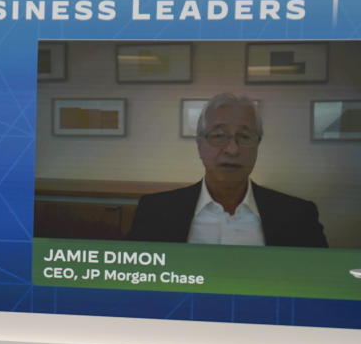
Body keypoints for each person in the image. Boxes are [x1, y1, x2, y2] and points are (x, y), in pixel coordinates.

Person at [127, 93, 327, 247]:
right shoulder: (154, 211)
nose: (232, 149)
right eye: (218, 135)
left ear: (258, 144)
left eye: (245, 136)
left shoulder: (299, 216)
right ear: (199, 144)